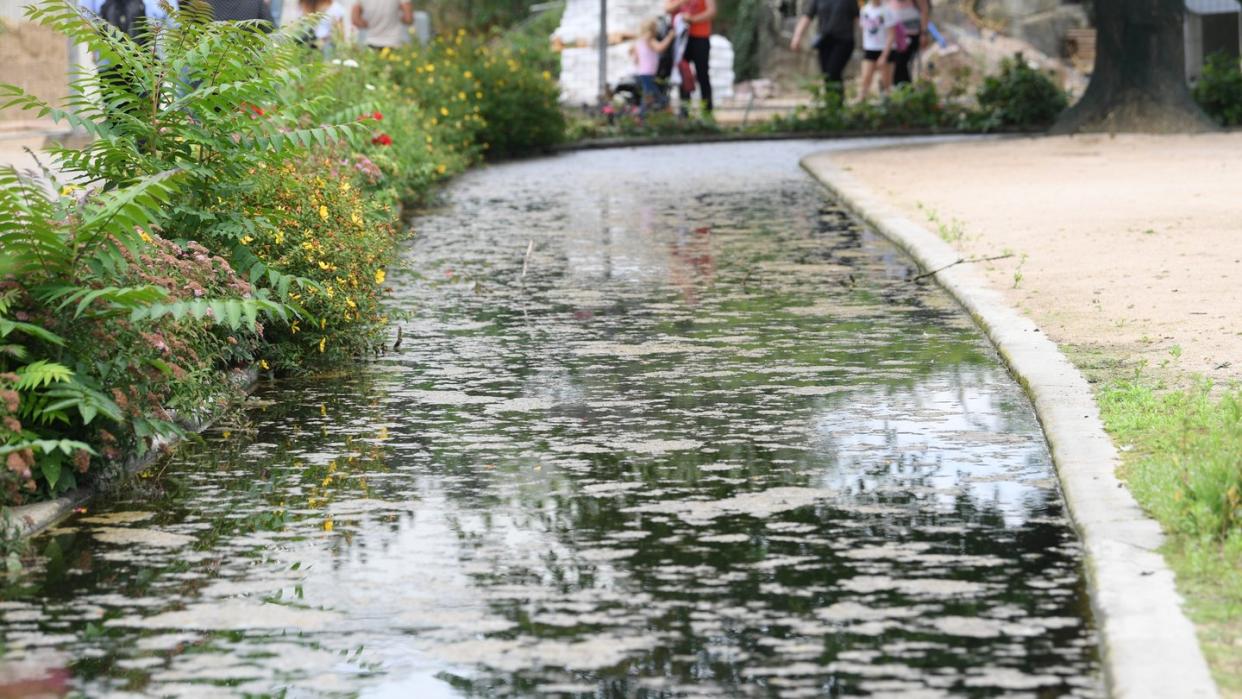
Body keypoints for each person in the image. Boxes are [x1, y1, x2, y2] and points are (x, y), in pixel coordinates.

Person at [791, 0, 859, 103]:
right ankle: (832, 105)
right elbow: (807, 16)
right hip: (825, 41)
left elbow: (858, 19)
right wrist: (797, 36)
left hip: (844, 40)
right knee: (827, 75)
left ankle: (837, 105)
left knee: (833, 71)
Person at [664, 0, 716, 113]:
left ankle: (707, 111)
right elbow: (667, 9)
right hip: (681, 39)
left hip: (700, 37)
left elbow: (711, 11)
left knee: (702, 73)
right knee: (682, 73)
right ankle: (685, 110)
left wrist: (692, 19)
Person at [631, 17, 675, 114]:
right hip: (648, 73)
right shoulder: (649, 40)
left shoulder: (638, 42)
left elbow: (635, 59)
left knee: (648, 97)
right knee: (657, 96)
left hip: (642, 72)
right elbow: (660, 48)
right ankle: (641, 116)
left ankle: (642, 117)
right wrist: (670, 37)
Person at [858, 0, 895, 101]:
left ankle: (889, 106)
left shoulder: (887, 10)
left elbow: (891, 34)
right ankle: (860, 105)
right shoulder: (864, 9)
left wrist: (884, 55)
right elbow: (863, 29)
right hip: (869, 49)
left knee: (886, 82)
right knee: (865, 79)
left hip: (884, 49)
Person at [887, 0, 929, 85]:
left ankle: (906, 90)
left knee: (902, 63)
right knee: (896, 64)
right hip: (894, 35)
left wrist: (924, 33)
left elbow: (924, 10)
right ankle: (903, 90)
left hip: (911, 33)